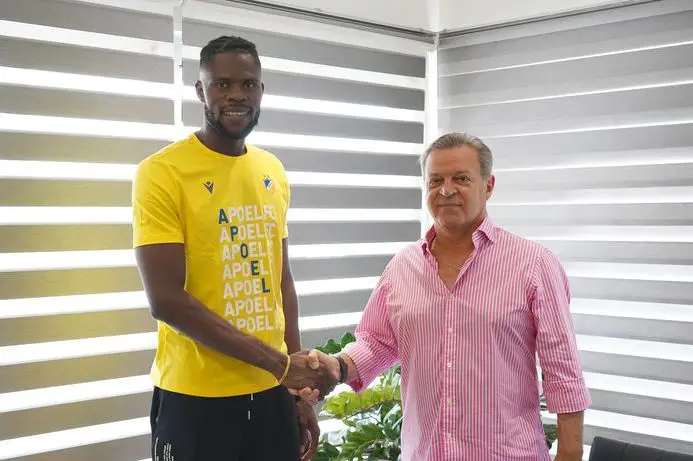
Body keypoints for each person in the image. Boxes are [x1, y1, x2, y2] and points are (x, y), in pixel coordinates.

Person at [299, 132, 591, 461]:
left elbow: (562, 372)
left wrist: (569, 453)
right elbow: (377, 343)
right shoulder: (402, 267)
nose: (446, 190)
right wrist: (336, 366)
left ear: (488, 186)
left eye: (461, 179)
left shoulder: (533, 265)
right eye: (436, 180)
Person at [132, 35, 336, 461]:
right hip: (195, 398)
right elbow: (166, 300)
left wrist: (297, 391)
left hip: (272, 393)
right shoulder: (162, 172)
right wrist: (281, 366)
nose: (236, 95)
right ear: (200, 90)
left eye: (247, 84)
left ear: (261, 90)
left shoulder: (271, 169)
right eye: (222, 84)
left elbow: (281, 280)